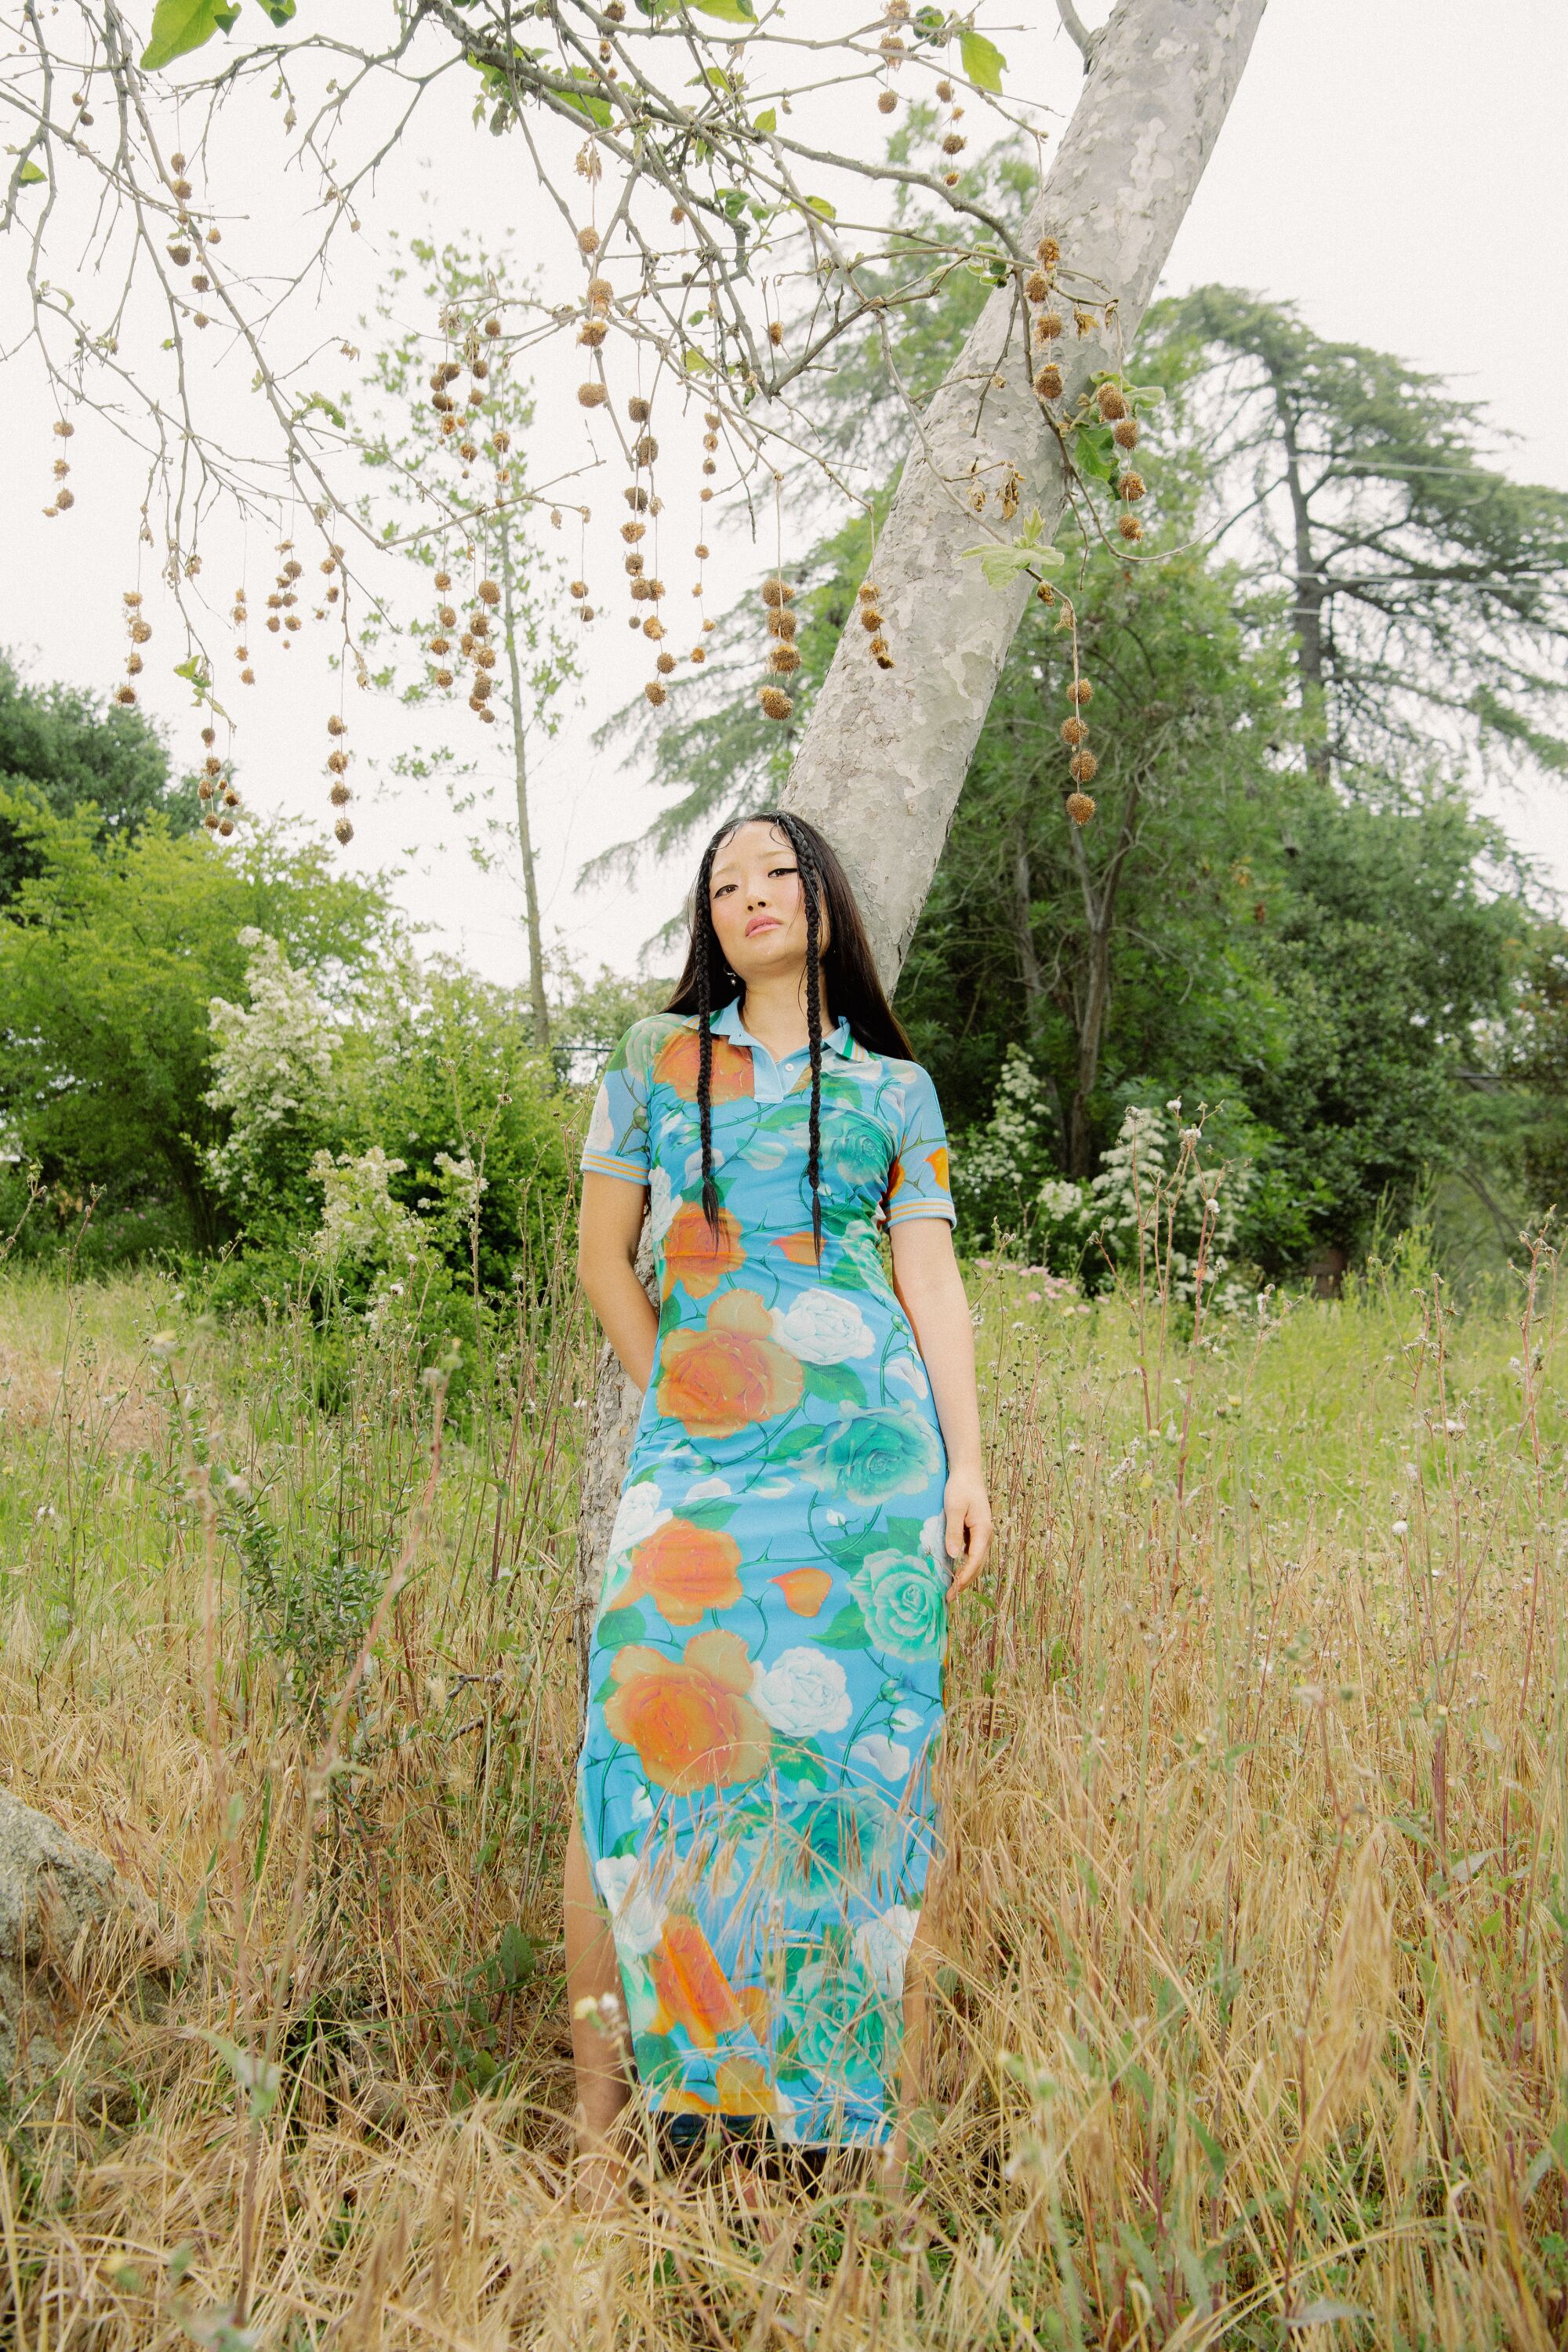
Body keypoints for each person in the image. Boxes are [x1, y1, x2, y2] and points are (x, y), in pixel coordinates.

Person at [566, 810, 992, 2214]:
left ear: (826, 898)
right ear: (708, 918)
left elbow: (930, 1284)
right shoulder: (650, 1060)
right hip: (701, 1464)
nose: (750, 894)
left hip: (871, 1468)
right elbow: (602, 1259)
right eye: (723, 880)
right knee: (636, 1740)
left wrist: (969, 1465)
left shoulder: (896, 1089)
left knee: (858, 1771)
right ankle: (606, 2115)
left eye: (776, 870)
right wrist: (683, 1398)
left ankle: (839, 2116)